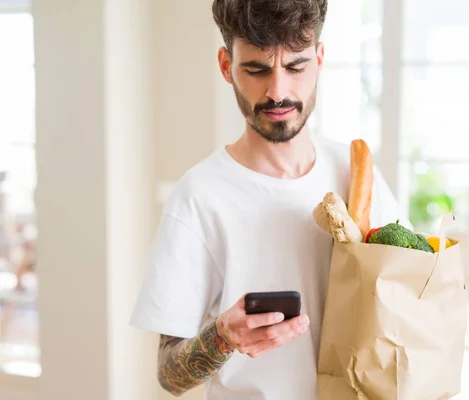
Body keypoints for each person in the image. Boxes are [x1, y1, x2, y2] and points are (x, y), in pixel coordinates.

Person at [129, 1, 411, 399]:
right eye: (257, 69)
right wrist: (222, 338)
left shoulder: (358, 174)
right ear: (226, 66)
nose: (277, 91)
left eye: (295, 67)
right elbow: (169, 374)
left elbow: (407, 301)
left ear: (319, 59)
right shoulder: (199, 196)